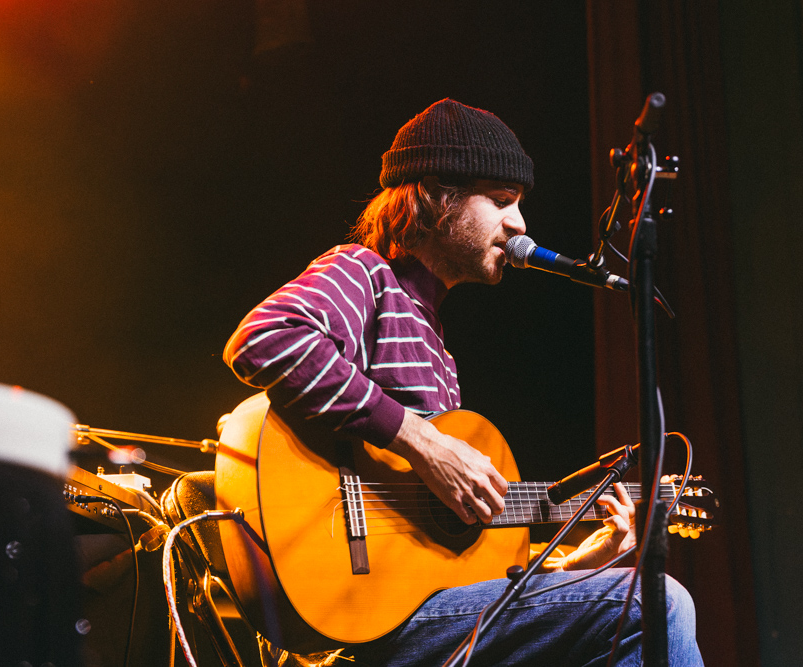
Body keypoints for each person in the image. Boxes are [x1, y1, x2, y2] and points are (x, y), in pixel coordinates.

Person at [224, 99, 703, 666]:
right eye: (500, 201)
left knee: (629, 607)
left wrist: (576, 568)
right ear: (434, 196)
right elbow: (265, 338)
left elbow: (445, 570)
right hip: (360, 612)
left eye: (519, 205)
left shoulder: (438, 350)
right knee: (658, 603)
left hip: (412, 613)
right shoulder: (364, 273)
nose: (520, 223)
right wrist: (421, 441)